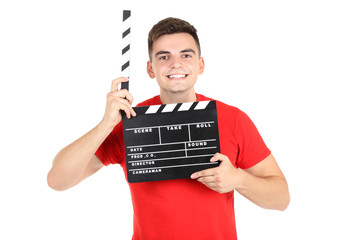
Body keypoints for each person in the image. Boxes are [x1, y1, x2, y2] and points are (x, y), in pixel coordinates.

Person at [48, 17, 290, 239]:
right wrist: (106, 124)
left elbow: (281, 198)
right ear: (150, 68)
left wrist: (238, 179)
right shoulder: (131, 121)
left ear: (200, 64)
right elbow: (57, 180)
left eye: (186, 55)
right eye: (164, 57)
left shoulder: (233, 119)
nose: (176, 64)